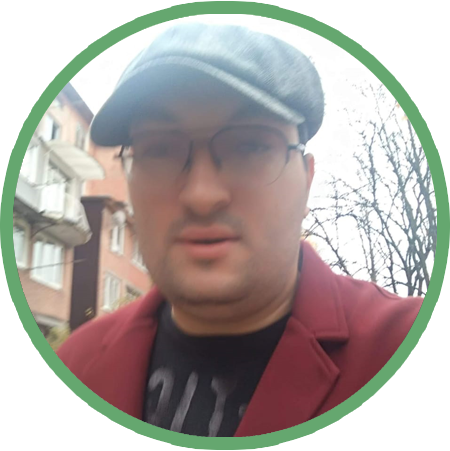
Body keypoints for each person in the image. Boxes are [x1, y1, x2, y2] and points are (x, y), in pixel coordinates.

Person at [57, 22, 423, 437]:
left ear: (306, 182)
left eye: (250, 145)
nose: (201, 195)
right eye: (159, 149)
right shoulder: (72, 370)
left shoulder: (415, 353)